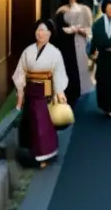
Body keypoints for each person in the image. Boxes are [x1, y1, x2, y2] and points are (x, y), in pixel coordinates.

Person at [13, 20, 69, 168]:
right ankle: (33, 150)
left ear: (50, 34)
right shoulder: (28, 51)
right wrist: (20, 90)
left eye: (44, 31)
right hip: (30, 89)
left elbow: (59, 73)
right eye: (38, 30)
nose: (40, 33)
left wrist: (60, 91)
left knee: (42, 121)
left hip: (45, 90)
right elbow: (20, 72)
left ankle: (44, 153)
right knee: (30, 121)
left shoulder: (54, 53)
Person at [54, 0, 94, 105]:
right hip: (66, 44)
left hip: (79, 42)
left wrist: (80, 31)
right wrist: (73, 29)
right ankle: (69, 92)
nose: (72, 0)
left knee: (80, 66)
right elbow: (61, 29)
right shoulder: (61, 11)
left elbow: (87, 28)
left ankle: (77, 90)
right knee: (69, 67)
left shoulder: (84, 10)